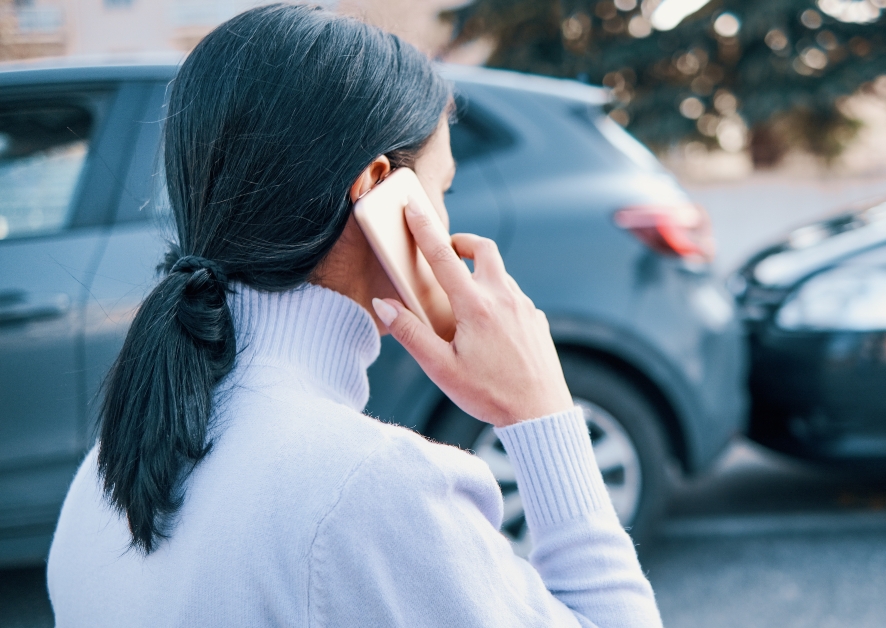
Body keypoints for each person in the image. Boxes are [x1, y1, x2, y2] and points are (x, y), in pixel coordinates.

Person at [46, 5, 662, 627]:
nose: (447, 225)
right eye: (441, 191)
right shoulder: (367, 489)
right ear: (377, 190)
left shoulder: (100, 482)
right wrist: (542, 414)